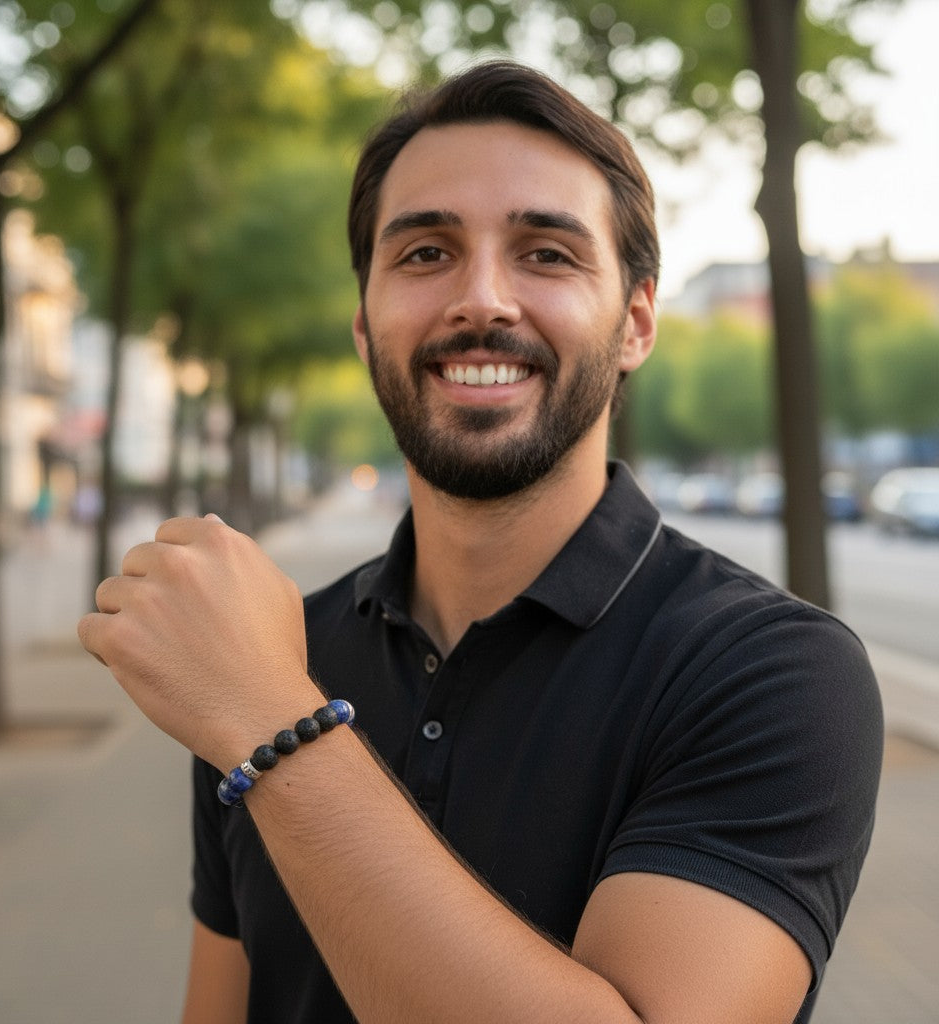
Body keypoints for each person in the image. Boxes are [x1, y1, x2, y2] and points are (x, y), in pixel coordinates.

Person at [79, 61, 883, 1024]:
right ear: (365, 330)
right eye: (424, 254)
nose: (483, 300)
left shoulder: (774, 673)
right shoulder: (276, 648)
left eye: (547, 252)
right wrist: (255, 692)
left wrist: (269, 721)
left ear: (634, 323)